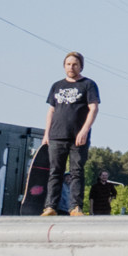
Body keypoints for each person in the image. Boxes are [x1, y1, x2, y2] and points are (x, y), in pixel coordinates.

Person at [40, 53, 100, 217]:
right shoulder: (57, 85)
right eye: (68, 64)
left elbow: (93, 108)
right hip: (57, 135)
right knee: (55, 172)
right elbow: (51, 110)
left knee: (77, 172)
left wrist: (84, 130)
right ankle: (50, 207)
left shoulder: (88, 85)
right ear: (64, 66)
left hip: (77, 137)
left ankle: (75, 207)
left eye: (74, 64)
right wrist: (46, 134)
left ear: (81, 66)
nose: (71, 67)